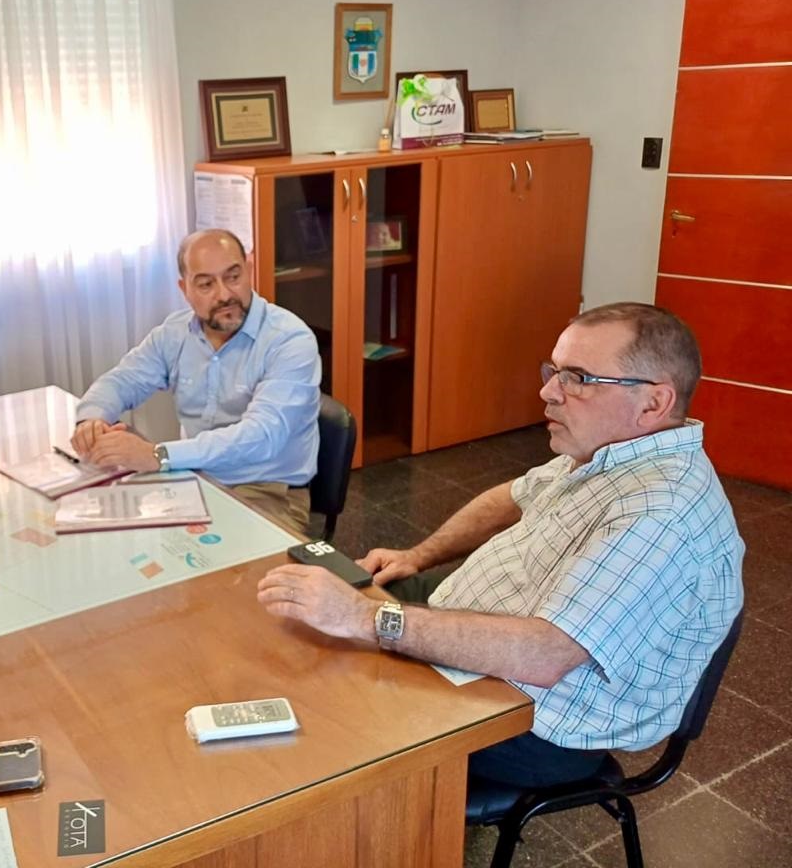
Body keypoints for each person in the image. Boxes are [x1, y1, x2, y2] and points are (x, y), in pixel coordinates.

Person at [257, 303, 743, 787]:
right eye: (554, 371)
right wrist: (416, 557)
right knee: (302, 629)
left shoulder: (662, 513)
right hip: (487, 624)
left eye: (577, 378)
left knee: (329, 712)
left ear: (653, 403)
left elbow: (545, 656)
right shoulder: (606, 452)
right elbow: (510, 498)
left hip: (539, 723)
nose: (548, 391)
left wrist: (364, 618)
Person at [71, 229, 321, 532]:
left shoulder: (289, 340)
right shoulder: (175, 334)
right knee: (113, 532)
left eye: (233, 277)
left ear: (249, 269)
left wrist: (158, 455)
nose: (224, 295)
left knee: (213, 561)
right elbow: (123, 380)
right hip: (191, 478)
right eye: (206, 284)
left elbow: (262, 436)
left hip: (266, 489)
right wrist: (92, 419)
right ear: (185, 289)